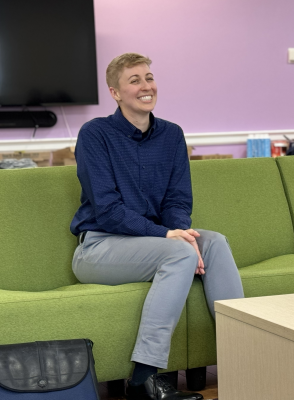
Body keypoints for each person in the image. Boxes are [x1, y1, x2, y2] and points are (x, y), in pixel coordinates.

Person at [70, 53, 244, 400]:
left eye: (149, 77)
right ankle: (143, 379)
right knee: (180, 253)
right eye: (134, 80)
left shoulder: (172, 135)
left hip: (155, 243)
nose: (146, 86)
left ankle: (245, 352)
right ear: (115, 92)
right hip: (100, 247)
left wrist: (182, 232)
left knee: (215, 242)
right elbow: (107, 210)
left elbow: (178, 200)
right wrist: (168, 236)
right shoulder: (95, 134)